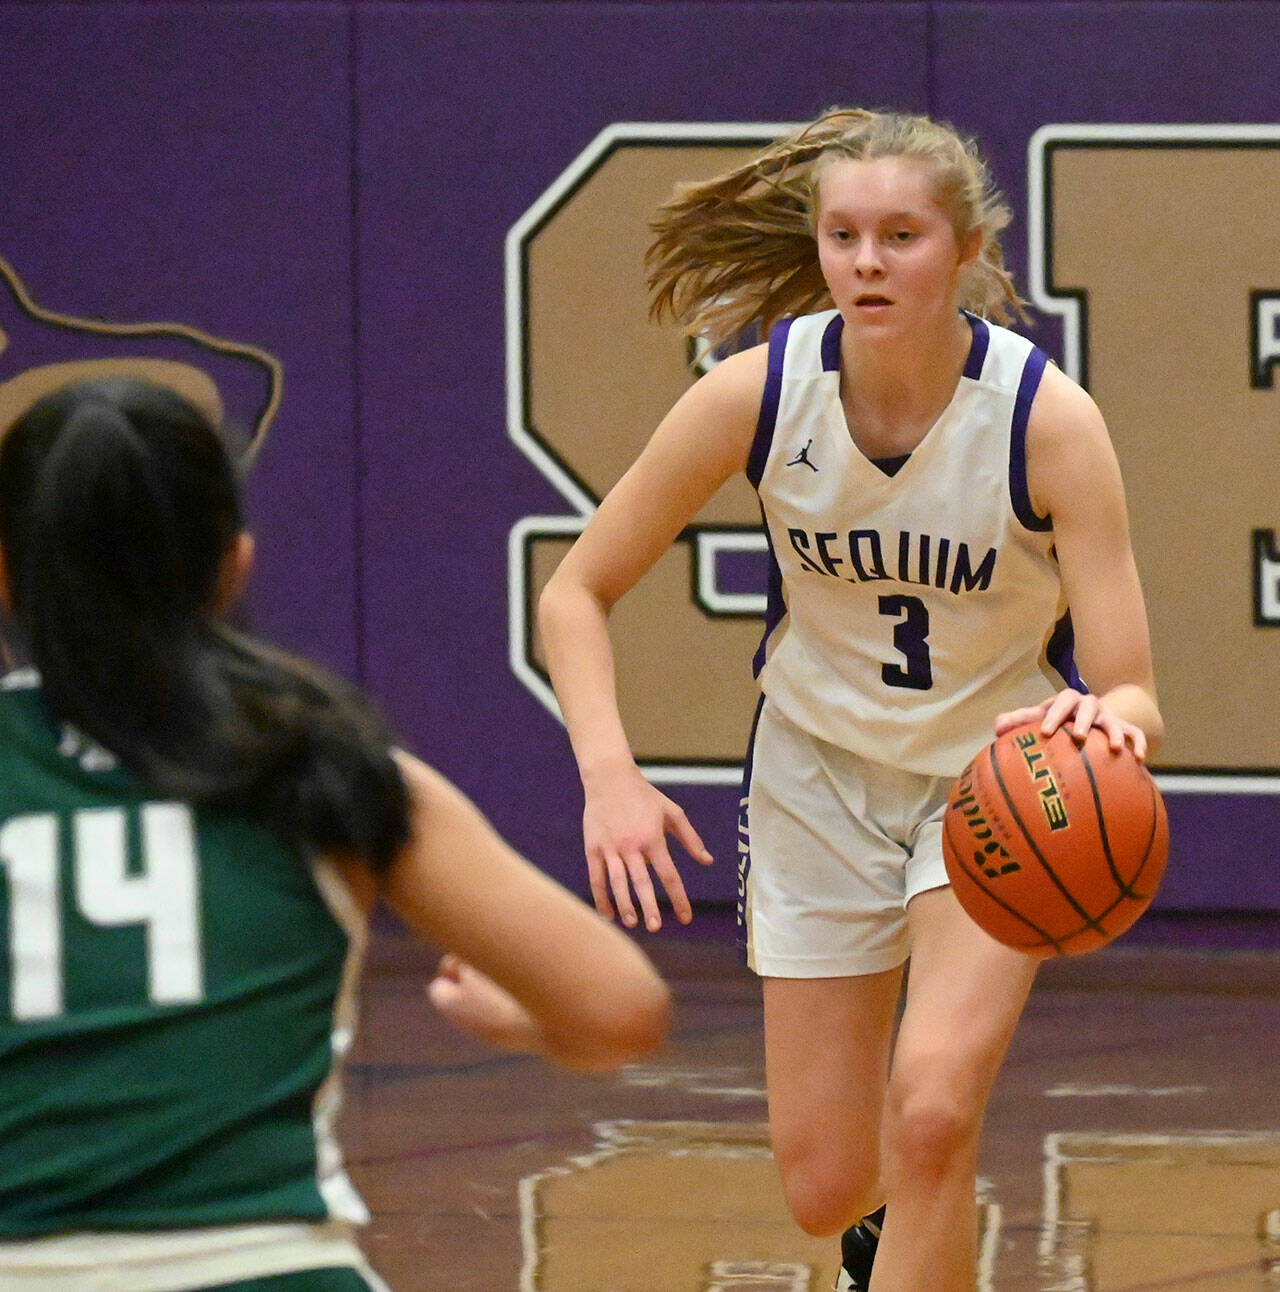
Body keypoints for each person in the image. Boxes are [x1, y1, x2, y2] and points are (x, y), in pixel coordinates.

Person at [537, 107, 1163, 1291]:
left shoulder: (1045, 421)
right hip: (815, 778)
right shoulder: (760, 394)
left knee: (931, 1108)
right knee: (828, 1184)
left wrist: (1105, 720)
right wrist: (608, 778)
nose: (866, 262)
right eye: (843, 237)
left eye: (899, 236)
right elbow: (573, 590)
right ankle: (897, 1245)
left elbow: (1131, 689)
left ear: (966, 248)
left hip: (987, 785)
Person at [0, 378, 671, 1291]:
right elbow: (621, 1010)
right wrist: (530, 1028)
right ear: (234, 563)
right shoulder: (323, 765)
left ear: (5, 568)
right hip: (266, 1264)